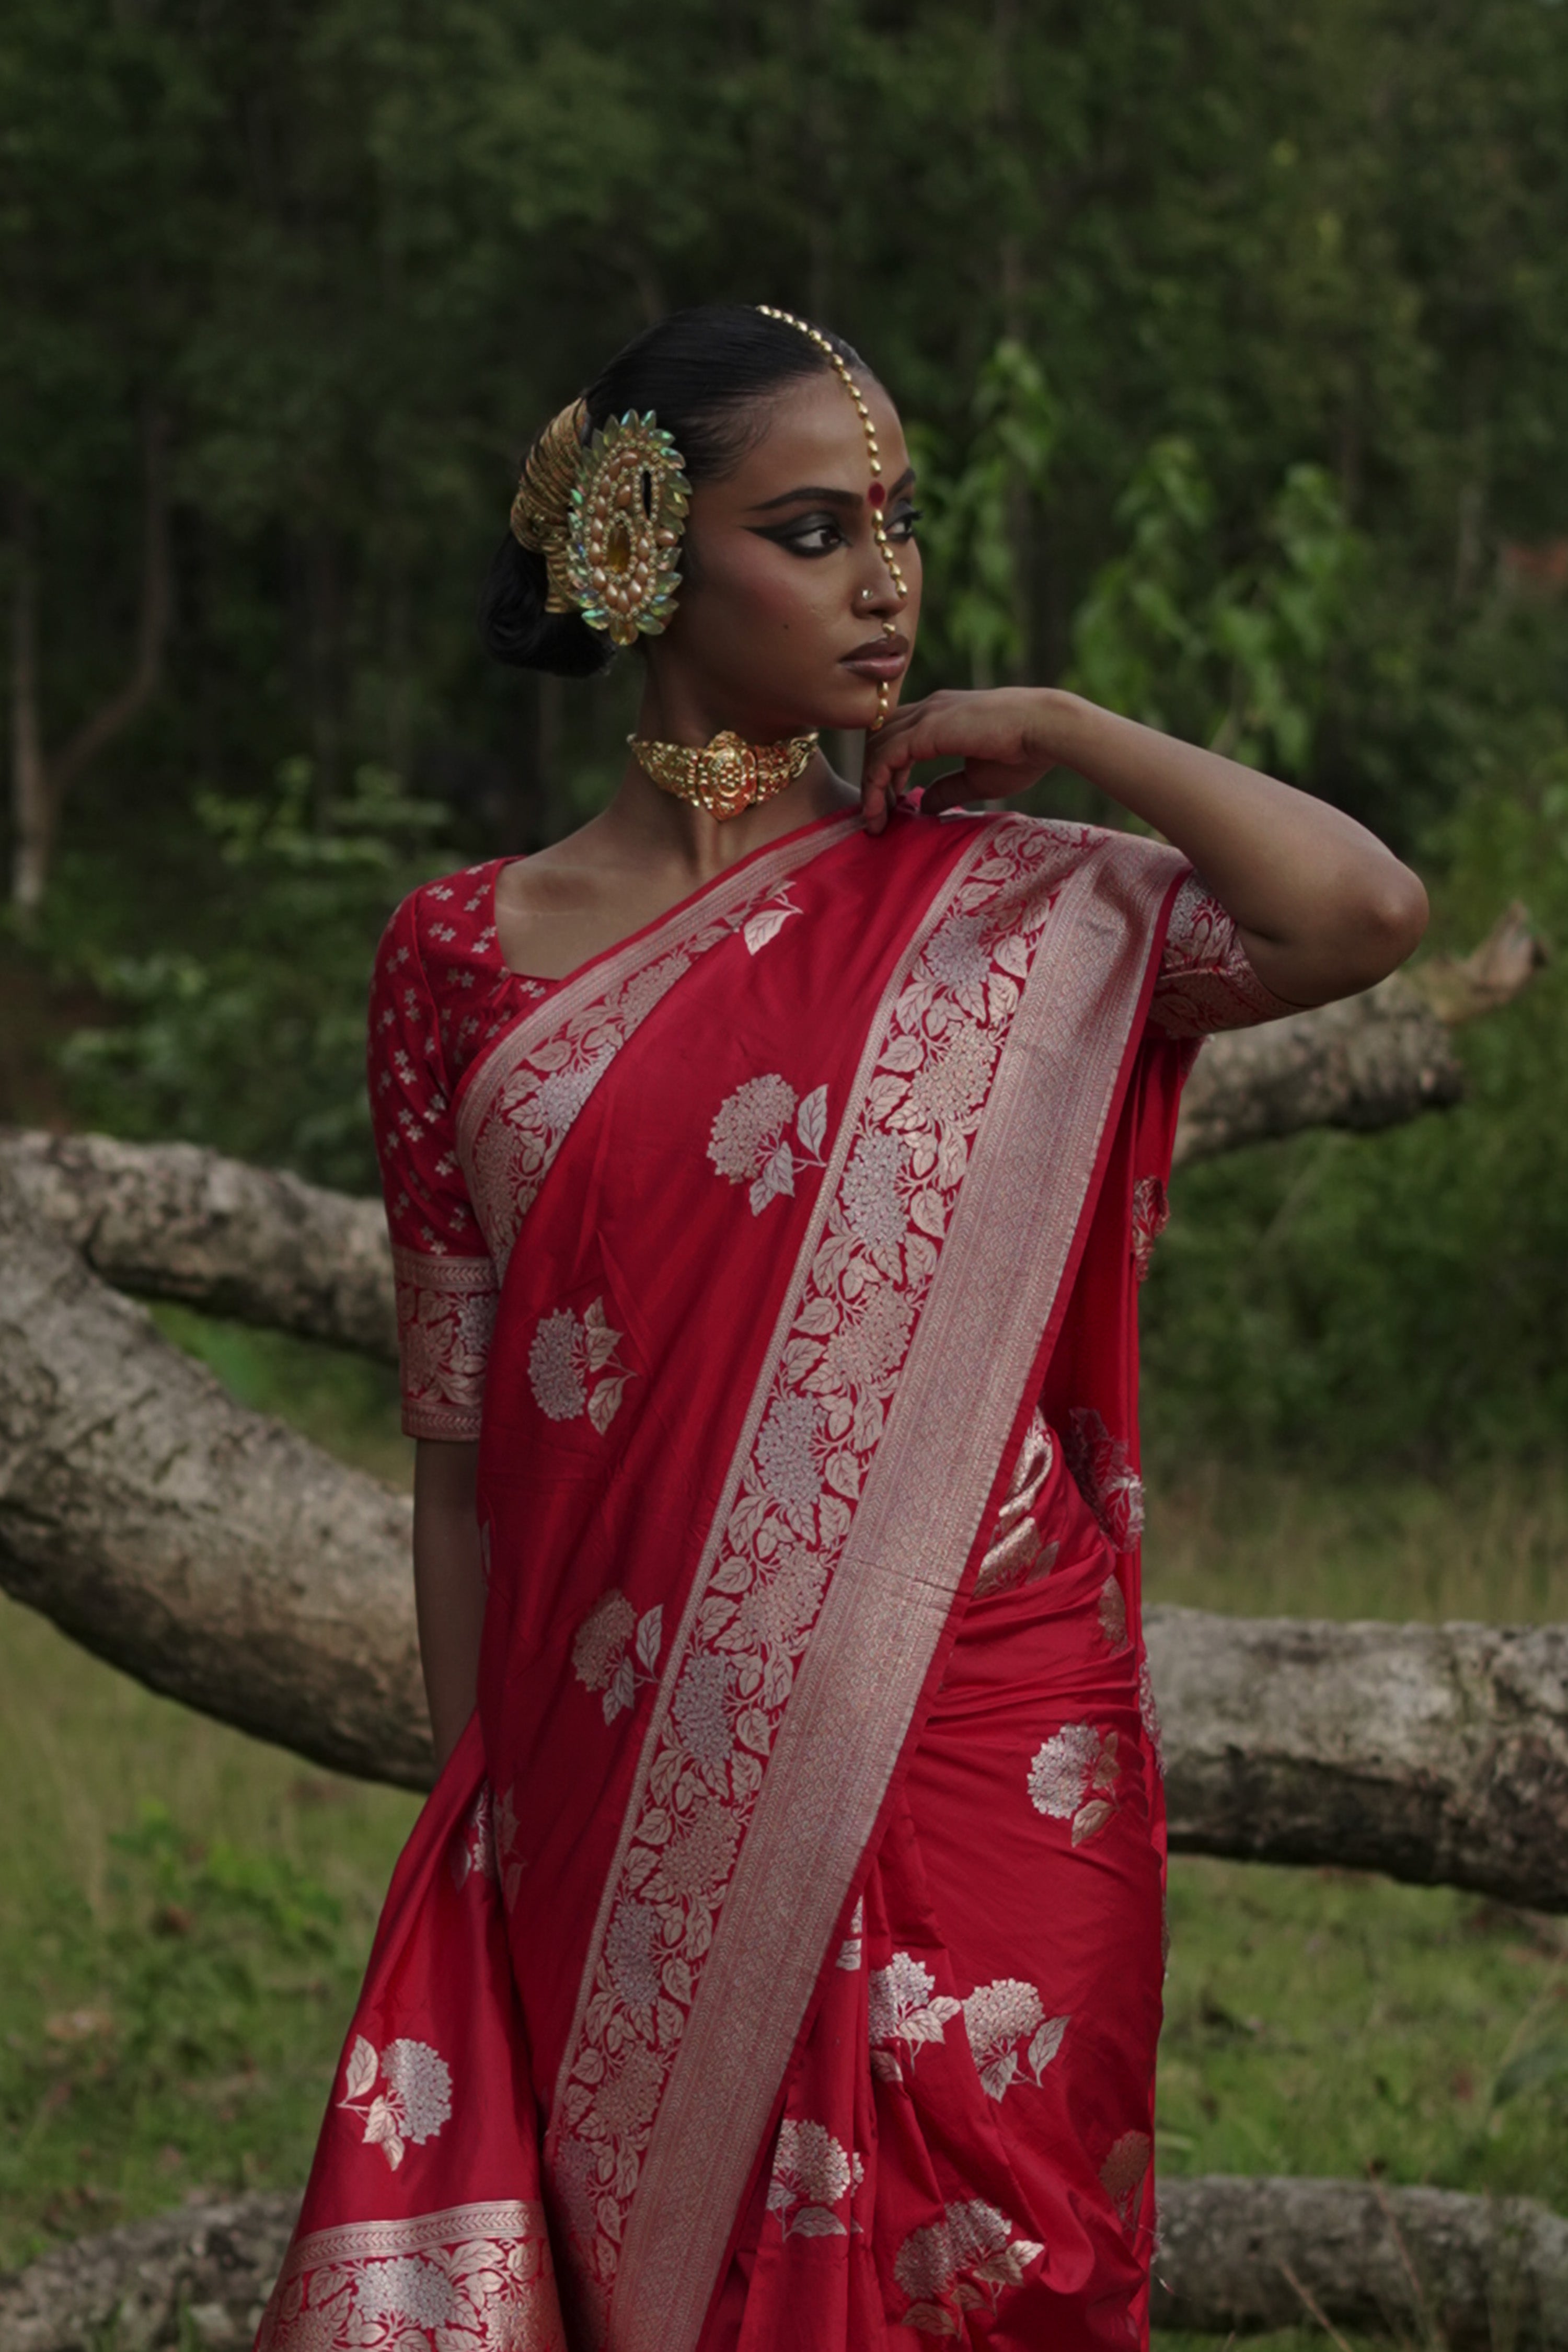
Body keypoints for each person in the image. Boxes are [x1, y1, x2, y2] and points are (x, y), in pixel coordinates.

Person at [256, 304, 1426, 2352]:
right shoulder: (457, 955)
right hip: (609, 1765)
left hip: (981, 1724)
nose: (887, 579)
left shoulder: (996, 902)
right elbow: (456, 1452)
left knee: (1000, 2259)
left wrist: (1073, 724)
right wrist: (484, 1830)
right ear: (639, 550)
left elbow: (1361, 913)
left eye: (901, 524)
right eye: (812, 529)